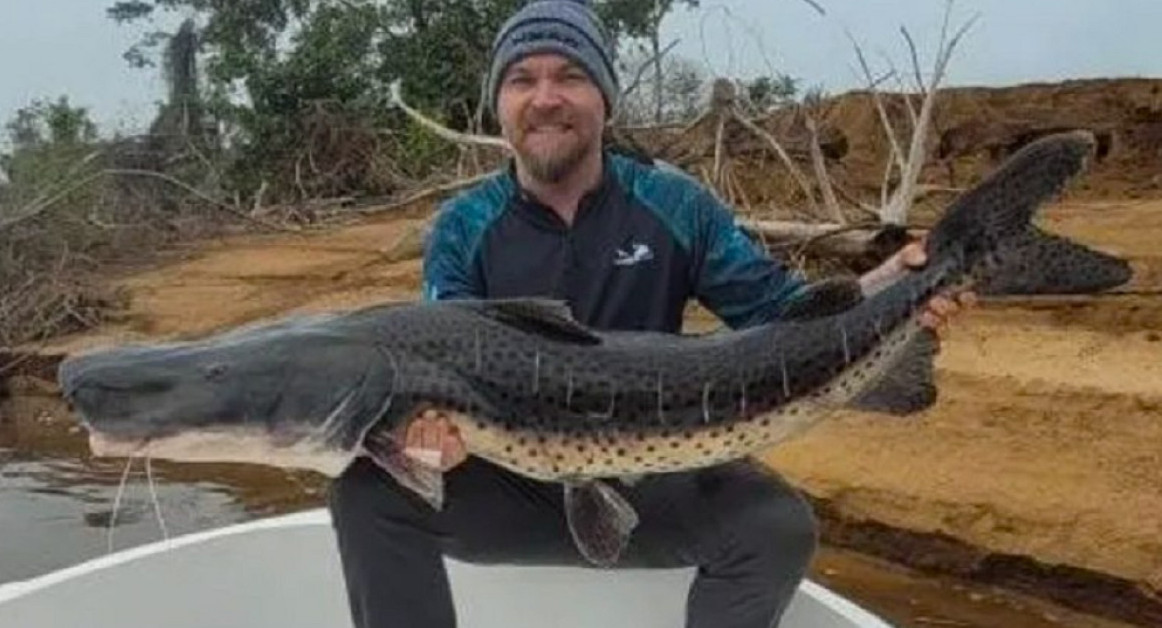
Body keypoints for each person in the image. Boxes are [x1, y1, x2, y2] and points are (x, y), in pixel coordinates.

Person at [328, 1, 972, 626]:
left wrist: (899, 285)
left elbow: (783, 314)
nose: (545, 97)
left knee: (776, 528)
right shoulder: (462, 228)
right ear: (499, 104)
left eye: (570, 76)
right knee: (366, 493)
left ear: (605, 97)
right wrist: (424, 446)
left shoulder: (675, 204)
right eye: (523, 79)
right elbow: (433, 366)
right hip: (507, 481)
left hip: (651, 473)